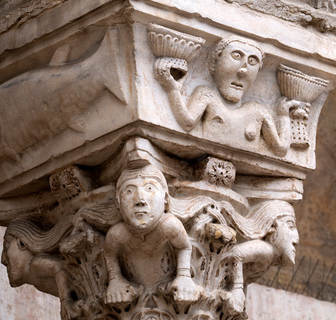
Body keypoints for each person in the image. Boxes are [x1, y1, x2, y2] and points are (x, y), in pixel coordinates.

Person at [155, 35, 303, 157]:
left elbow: (281, 149)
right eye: (236, 56)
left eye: (252, 61)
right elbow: (187, 122)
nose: (243, 70)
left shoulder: (259, 111)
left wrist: (283, 116)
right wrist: (172, 89)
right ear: (214, 64)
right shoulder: (207, 96)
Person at [103, 164, 198, 306]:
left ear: (166, 198)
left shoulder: (169, 226)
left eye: (149, 189)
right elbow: (109, 253)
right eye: (129, 191)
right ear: (118, 203)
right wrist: (115, 279)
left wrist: (184, 275)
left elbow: (184, 246)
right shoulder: (118, 234)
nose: (140, 200)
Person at [1, 216, 80, 320]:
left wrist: (66, 300)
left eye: (6, 247)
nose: (3, 259)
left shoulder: (34, 265)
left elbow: (59, 267)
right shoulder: (37, 283)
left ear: (21, 243)